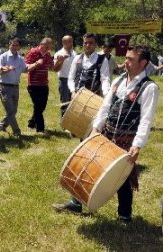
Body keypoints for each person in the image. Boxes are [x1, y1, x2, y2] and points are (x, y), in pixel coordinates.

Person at [53, 45, 159, 223]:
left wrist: (137, 145)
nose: (126, 62)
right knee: (89, 164)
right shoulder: (118, 81)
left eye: (131, 59)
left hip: (126, 139)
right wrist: (96, 128)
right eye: (126, 58)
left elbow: (146, 120)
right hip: (106, 133)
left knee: (122, 176)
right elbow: (105, 107)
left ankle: (124, 215)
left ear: (144, 63)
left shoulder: (149, 88)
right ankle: (76, 202)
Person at [25, 37, 63, 133]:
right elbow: (26, 68)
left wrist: (59, 62)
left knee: (42, 106)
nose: (48, 49)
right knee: (38, 105)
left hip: (44, 84)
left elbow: (52, 68)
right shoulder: (33, 52)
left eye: (49, 47)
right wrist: (36, 64)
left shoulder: (47, 54)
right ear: (42, 44)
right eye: (46, 47)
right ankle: (40, 128)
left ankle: (31, 122)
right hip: (33, 84)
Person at [0, 37, 28, 136]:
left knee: (13, 110)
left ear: (19, 47)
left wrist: (36, 65)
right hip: (5, 87)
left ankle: (2, 125)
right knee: (10, 110)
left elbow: (25, 69)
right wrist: (7, 69)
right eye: (12, 45)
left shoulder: (20, 58)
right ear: (9, 45)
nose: (14, 47)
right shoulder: (3, 56)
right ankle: (16, 131)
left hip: (15, 87)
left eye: (16, 45)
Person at [67, 33, 110, 98]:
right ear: (83, 44)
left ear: (96, 45)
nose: (87, 45)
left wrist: (106, 95)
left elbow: (105, 80)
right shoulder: (77, 58)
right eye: (85, 43)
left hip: (93, 99)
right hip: (76, 97)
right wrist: (72, 91)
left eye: (91, 43)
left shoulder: (103, 60)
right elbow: (71, 77)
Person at [53, 35, 77, 116]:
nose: (71, 43)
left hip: (74, 81)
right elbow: (55, 69)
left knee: (74, 102)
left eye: (71, 41)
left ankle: (70, 122)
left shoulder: (74, 53)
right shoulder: (59, 54)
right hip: (64, 81)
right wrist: (61, 60)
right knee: (65, 102)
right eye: (69, 41)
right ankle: (64, 123)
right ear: (64, 43)